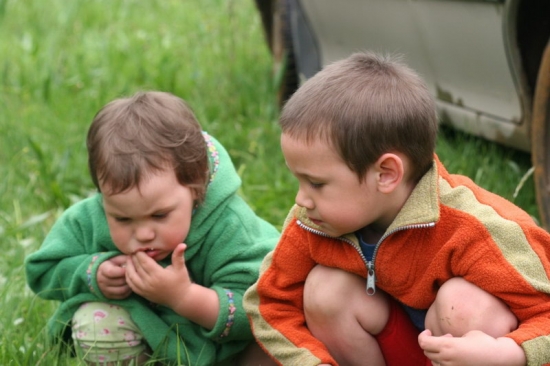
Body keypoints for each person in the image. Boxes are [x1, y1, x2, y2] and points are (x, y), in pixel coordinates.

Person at [243, 51, 550, 366]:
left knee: (462, 304)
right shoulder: (313, 221)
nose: (301, 200)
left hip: (469, 353)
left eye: (316, 184)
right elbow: (269, 305)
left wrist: (510, 353)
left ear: (386, 174)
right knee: (326, 291)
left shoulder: (477, 227)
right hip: (398, 348)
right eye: (299, 181)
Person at [25, 91, 279, 365]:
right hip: (142, 334)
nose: (143, 234)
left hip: (225, 352)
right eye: (122, 219)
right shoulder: (89, 217)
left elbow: (262, 311)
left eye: (160, 215)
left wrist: (183, 297)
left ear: (196, 188)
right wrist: (92, 273)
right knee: (96, 323)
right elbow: (42, 270)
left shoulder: (230, 226)